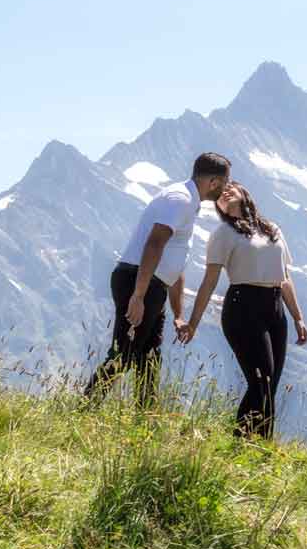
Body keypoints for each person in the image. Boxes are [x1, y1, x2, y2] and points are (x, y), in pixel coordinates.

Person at [84, 151, 231, 406]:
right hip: (139, 281)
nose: (225, 189)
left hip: (152, 284)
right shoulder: (181, 200)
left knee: (149, 356)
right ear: (214, 182)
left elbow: (173, 264)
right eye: (225, 183)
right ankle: (86, 405)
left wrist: (177, 314)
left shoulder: (187, 201)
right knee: (126, 352)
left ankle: (145, 415)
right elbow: (154, 245)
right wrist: (138, 296)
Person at [180, 182, 307, 439]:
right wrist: (192, 322)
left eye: (231, 187)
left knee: (270, 385)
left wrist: (298, 317)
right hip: (243, 307)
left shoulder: (272, 230)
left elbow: (284, 277)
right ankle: (240, 443)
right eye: (220, 194)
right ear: (219, 207)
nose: (225, 192)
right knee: (261, 381)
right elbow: (209, 281)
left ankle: (260, 446)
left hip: (274, 307)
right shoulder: (223, 234)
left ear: (244, 193)